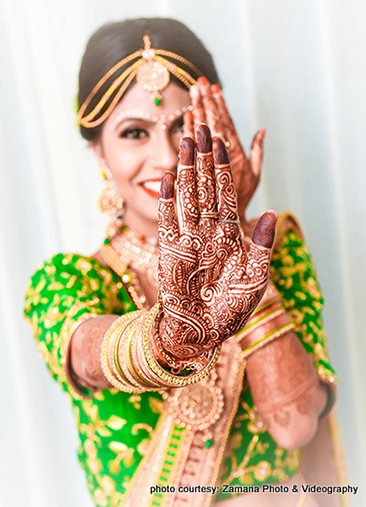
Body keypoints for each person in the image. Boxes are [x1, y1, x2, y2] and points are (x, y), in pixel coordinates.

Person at [24, 18, 344, 507]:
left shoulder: (275, 249)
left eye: (186, 128)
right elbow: (90, 354)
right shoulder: (68, 281)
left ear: (220, 132)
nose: (168, 157)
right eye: (134, 132)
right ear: (98, 151)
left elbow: (295, 426)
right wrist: (168, 341)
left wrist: (233, 242)